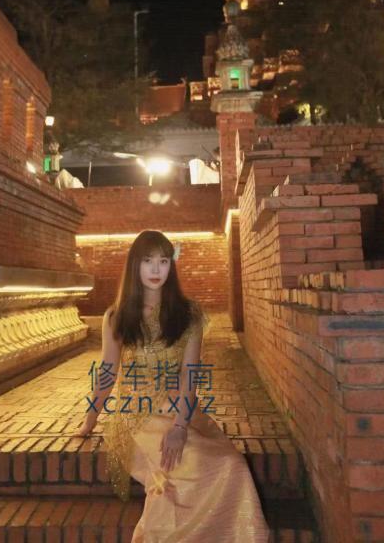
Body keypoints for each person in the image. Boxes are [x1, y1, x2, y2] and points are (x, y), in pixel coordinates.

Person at [76, 230, 270, 542]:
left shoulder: (189, 314)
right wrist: (90, 420)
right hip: (138, 414)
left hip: (182, 410)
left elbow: (190, 374)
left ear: (171, 266)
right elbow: (108, 373)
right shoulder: (117, 316)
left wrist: (180, 426)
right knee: (189, 466)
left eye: (163, 261)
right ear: (135, 266)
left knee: (231, 463)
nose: (156, 269)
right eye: (148, 261)